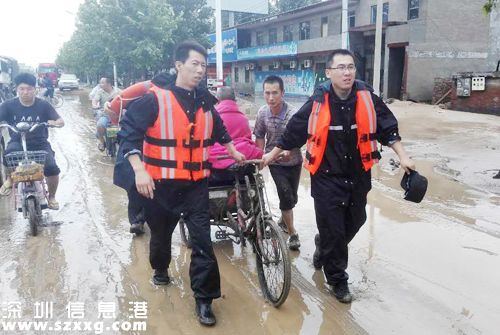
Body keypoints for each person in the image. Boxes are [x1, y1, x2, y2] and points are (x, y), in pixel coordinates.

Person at [261, 49, 415, 303]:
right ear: (329, 72)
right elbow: (294, 133)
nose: (347, 72)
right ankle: (337, 280)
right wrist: (271, 154)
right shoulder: (317, 103)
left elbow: (388, 127)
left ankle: (324, 245)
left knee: (356, 220)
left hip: (358, 175)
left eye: (351, 67)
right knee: (334, 228)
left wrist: (403, 156)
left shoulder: (367, 98)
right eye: (341, 67)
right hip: (326, 177)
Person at [118, 41, 245, 326]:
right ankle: (160, 268)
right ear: (178, 65)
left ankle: (205, 299)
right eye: (194, 64)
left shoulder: (205, 101)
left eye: (203, 65)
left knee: (203, 243)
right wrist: (139, 170)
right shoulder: (154, 99)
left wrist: (235, 152)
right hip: (159, 185)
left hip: (195, 186)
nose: (200, 70)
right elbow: (128, 135)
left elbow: (220, 130)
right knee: (161, 239)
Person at [113, 73, 175, 235]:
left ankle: (140, 219)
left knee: (139, 188)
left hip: (139, 150)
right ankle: (139, 220)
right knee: (139, 186)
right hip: (136, 150)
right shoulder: (149, 101)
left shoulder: (148, 99)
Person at [0, 73, 64, 209]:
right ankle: (10, 179)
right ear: (16, 89)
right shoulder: (8, 105)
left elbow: (60, 121)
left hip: (39, 143)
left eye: (29, 89)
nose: (25, 92)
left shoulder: (43, 105)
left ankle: (52, 197)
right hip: (17, 141)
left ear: (35, 89)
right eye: (22, 89)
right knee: (8, 155)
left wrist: (54, 122)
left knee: (52, 167)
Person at [254, 75, 302, 251]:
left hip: (294, 161)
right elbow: (259, 135)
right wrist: (261, 156)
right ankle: (293, 233)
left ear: (283, 93)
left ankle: (284, 219)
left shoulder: (293, 113)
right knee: (285, 195)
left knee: (292, 197)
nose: (271, 97)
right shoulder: (262, 113)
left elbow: (294, 139)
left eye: (275, 93)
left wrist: (289, 151)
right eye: (267, 93)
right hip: (274, 163)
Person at [208, 86, 263, 184]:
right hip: (241, 155)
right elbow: (248, 140)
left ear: (217, 100)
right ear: (234, 100)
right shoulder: (243, 118)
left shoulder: (211, 117)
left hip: (217, 157)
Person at [93, 77, 121, 151]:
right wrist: (95, 105)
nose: (100, 84)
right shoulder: (99, 92)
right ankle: (102, 142)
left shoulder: (118, 91)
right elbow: (95, 101)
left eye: (102, 82)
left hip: (116, 116)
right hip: (104, 115)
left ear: (108, 84)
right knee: (100, 125)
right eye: (100, 82)